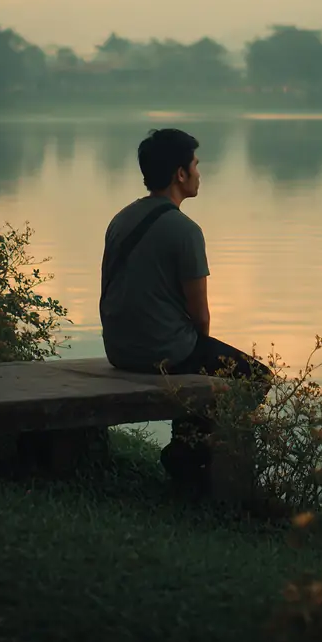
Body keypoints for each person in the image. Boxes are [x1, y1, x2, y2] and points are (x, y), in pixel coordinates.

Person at [100, 127, 271, 489]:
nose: (199, 173)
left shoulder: (121, 219)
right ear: (180, 174)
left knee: (206, 365)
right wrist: (197, 360)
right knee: (257, 377)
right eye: (195, 165)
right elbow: (201, 317)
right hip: (163, 351)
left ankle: (188, 449)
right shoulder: (185, 230)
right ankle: (191, 455)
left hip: (117, 349)